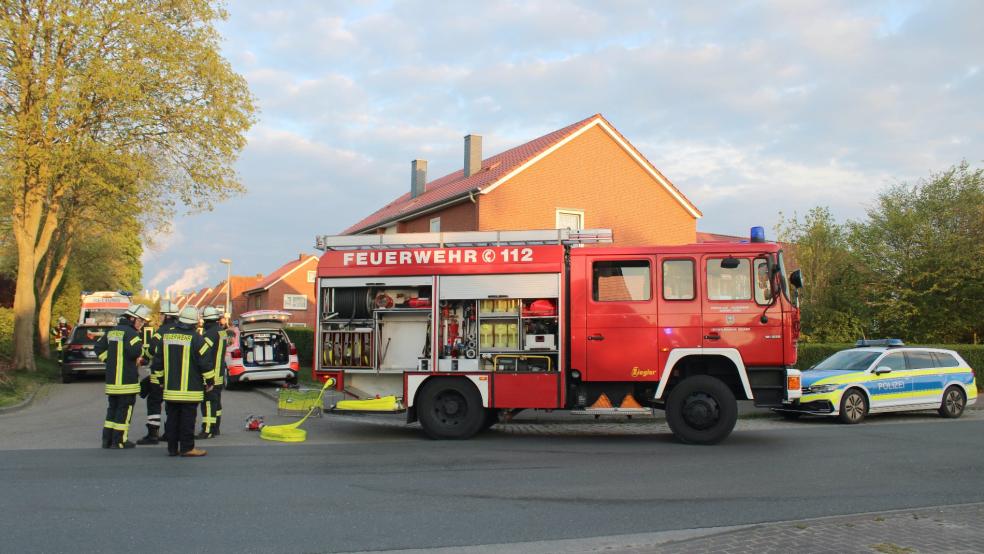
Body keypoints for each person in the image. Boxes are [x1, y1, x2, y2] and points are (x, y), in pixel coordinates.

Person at [152, 306, 215, 457]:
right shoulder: (197, 339)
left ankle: (172, 448)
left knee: (172, 418)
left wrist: (160, 380)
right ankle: (187, 448)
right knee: (187, 420)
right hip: (190, 390)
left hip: (171, 389)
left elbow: (157, 362)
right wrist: (210, 381)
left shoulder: (166, 337)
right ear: (194, 323)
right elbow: (205, 364)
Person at [94, 304, 151, 449]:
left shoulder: (113, 331)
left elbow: (98, 347)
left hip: (113, 381)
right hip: (127, 381)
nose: (141, 324)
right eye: (140, 321)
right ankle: (119, 441)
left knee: (112, 410)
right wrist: (142, 359)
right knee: (124, 412)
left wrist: (109, 359)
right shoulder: (133, 334)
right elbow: (134, 353)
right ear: (132, 318)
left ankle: (107, 440)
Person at [136, 300, 179, 445]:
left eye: (161, 315)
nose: (160, 317)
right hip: (177, 375)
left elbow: (152, 349)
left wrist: (143, 359)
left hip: (159, 374)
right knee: (171, 404)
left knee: (154, 402)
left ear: (167, 316)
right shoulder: (181, 331)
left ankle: (153, 434)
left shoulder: (161, 332)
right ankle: (170, 432)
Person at [197, 307, 227, 439]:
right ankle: (216, 428)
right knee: (216, 404)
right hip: (219, 374)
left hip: (210, 374)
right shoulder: (222, 332)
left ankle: (208, 430)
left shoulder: (209, 334)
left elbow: (204, 354)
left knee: (208, 403)